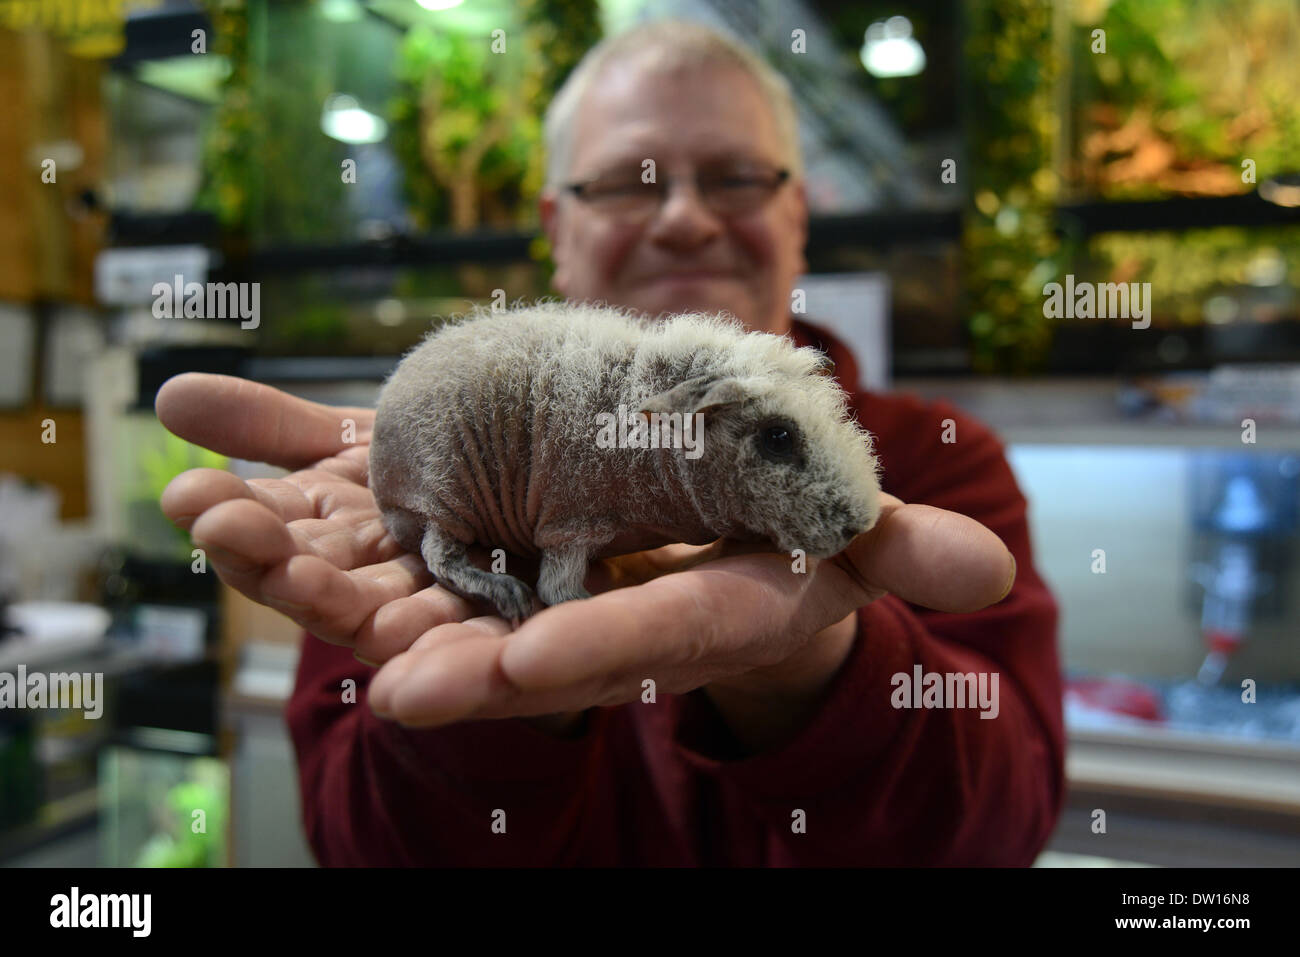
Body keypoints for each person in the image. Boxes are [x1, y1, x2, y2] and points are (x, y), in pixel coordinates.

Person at [156, 20, 1064, 865]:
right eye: (630, 180)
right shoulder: (400, 496)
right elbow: (360, 842)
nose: (683, 218)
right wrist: (507, 693)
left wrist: (813, 657)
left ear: (798, 217)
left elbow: (1002, 823)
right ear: (557, 228)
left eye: (737, 177)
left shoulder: (943, 459)